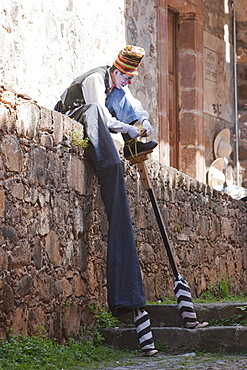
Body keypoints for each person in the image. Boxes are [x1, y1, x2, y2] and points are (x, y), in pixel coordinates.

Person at [54, 45, 158, 356]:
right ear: (116, 70)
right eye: (125, 76)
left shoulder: (118, 88)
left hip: (100, 128)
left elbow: (134, 108)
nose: (127, 82)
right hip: (74, 117)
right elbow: (98, 111)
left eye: (130, 78)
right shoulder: (96, 80)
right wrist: (125, 128)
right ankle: (113, 162)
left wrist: (141, 124)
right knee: (101, 112)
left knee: (126, 115)